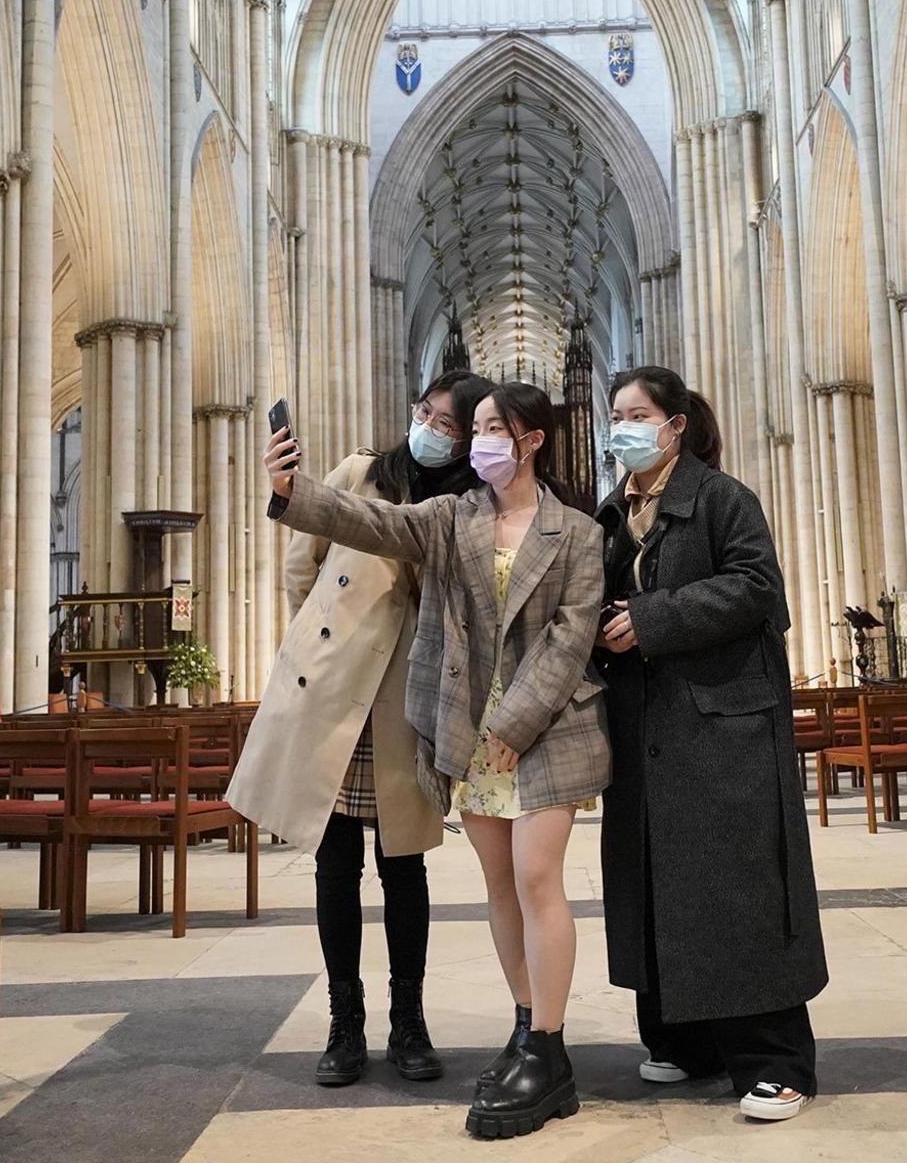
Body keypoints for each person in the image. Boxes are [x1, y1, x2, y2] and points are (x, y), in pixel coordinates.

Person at [265, 382, 609, 1140]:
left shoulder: (578, 531)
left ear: (532, 440)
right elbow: (371, 520)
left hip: (543, 729)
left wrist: (516, 722)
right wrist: (294, 493)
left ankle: (548, 1047)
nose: (479, 438)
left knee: (539, 881)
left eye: (493, 427)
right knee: (499, 888)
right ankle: (526, 1031)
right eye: (474, 426)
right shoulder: (455, 518)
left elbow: (571, 638)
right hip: (472, 735)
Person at [229, 370, 493, 1089]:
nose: (433, 428)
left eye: (450, 423)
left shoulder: (470, 504)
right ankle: (345, 1022)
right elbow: (300, 563)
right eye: (427, 413)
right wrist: (314, 641)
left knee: (403, 865)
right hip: (335, 688)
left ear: (471, 438)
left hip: (403, 695)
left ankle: (409, 1019)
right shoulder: (358, 471)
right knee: (334, 864)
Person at [593, 366, 828, 1122]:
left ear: (676, 424)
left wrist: (654, 618)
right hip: (645, 731)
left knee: (740, 886)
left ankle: (776, 1062)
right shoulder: (610, 514)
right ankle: (686, 1043)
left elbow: (759, 587)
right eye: (615, 414)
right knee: (659, 883)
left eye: (637, 414)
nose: (623, 425)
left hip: (724, 724)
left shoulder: (724, 498)